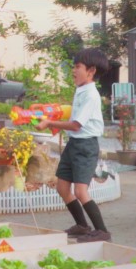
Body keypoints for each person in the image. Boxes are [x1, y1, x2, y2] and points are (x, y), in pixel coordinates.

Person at [37, 48, 112, 243]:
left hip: (86, 146)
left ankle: (102, 230)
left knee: (80, 191)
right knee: (62, 187)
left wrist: (49, 123)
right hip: (74, 144)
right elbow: (71, 114)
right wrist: (50, 112)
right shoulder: (81, 90)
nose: (73, 71)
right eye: (74, 66)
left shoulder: (91, 95)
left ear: (91, 70)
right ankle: (82, 226)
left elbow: (76, 124)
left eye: (78, 67)